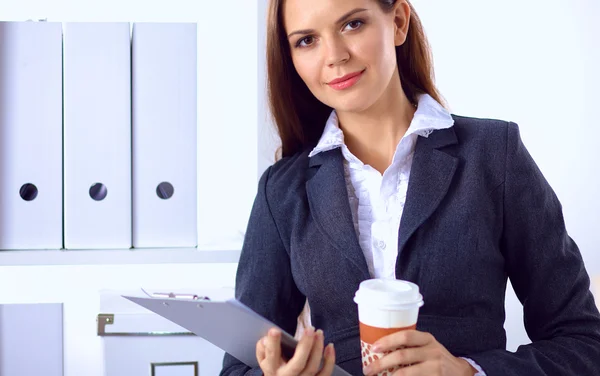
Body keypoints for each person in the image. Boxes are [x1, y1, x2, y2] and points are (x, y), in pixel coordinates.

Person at [220, 0, 600, 375]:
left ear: (398, 21)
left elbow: (583, 344)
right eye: (306, 40)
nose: (334, 56)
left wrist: (469, 372)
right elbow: (239, 366)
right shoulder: (282, 191)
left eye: (352, 24)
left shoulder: (493, 154)